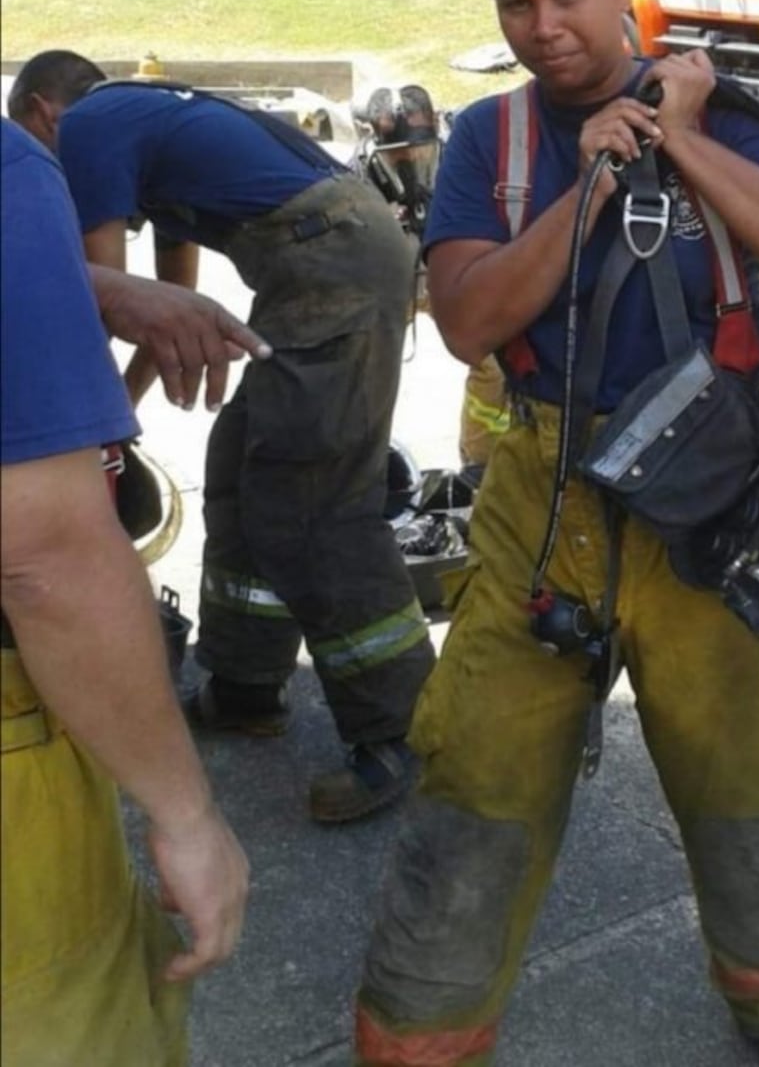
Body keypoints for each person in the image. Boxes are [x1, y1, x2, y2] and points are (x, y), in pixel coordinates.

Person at [355, 0, 759, 1067]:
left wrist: (674, 134)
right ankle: (424, 1035)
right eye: (517, 4)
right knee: (480, 763)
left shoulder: (729, 113)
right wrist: (587, 190)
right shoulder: (497, 139)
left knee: (753, 759)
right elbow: (471, 320)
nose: (545, 26)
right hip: (546, 501)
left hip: (717, 507)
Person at [1, 0, 248, 1067]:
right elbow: (40, 545)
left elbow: (161, 278)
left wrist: (118, 313)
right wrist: (187, 811)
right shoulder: (38, 164)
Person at [8, 47, 439, 822]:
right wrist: (123, 420)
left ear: (43, 113)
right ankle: (244, 685)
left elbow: (90, 303)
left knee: (311, 499)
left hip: (333, 265)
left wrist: (84, 433)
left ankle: (404, 729)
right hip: (321, 263)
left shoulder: (89, 127)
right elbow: (167, 301)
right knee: (241, 464)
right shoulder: (145, 124)